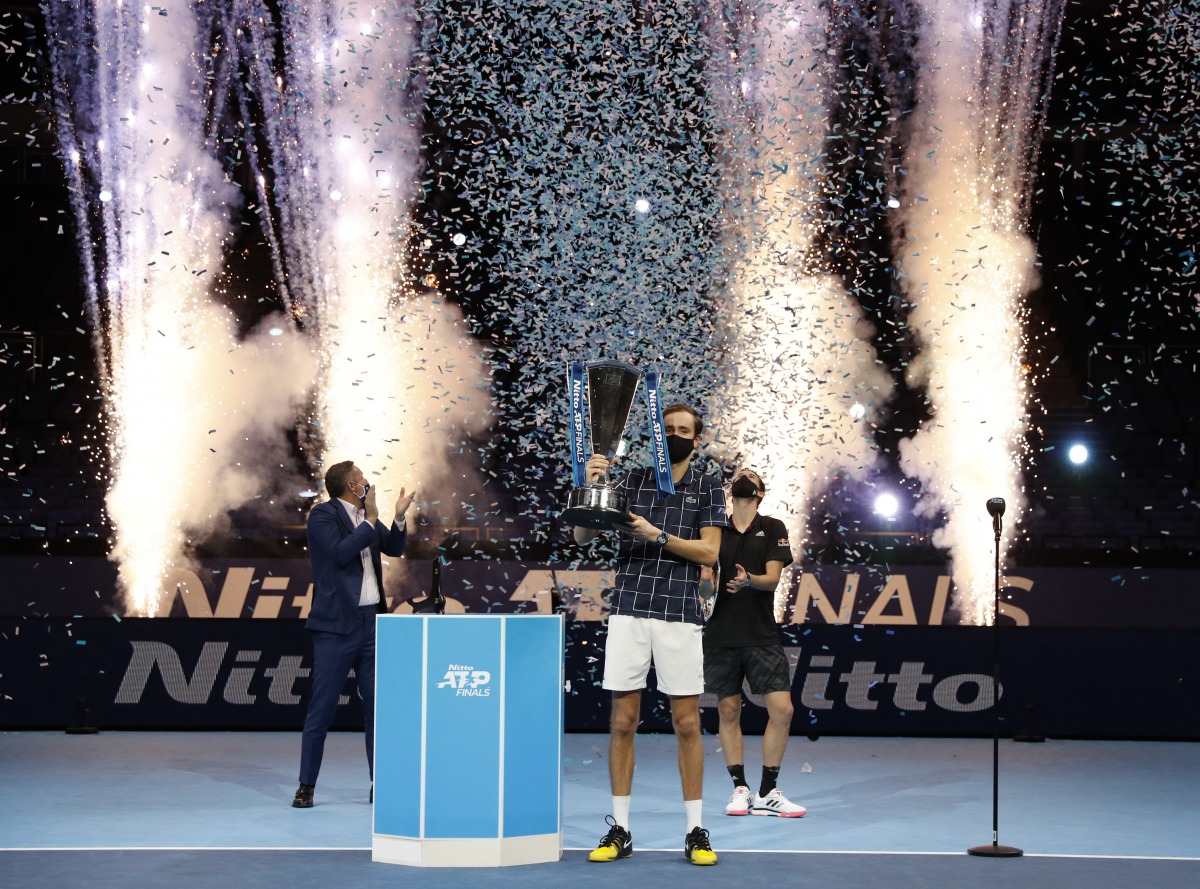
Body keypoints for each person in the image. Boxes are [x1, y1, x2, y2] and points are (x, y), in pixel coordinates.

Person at [572, 403, 726, 866]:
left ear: (696, 440)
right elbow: (582, 535)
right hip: (629, 609)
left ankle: (695, 831)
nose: (675, 435)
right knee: (622, 722)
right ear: (657, 434)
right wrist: (592, 484)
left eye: (685, 431)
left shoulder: (706, 486)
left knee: (686, 724)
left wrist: (654, 534)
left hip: (679, 613)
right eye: (669, 429)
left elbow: (709, 551)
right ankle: (620, 829)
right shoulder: (630, 481)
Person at [293, 461, 414, 808]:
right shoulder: (323, 515)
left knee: (378, 709)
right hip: (335, 627)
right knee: (322, 708)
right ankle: (306, 785)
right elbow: (340, 553)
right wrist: (372, 520)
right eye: (362, 477)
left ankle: (381, 782)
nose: (368, 481)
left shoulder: (367, 517)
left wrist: (399, 518)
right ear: (350, 485)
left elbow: (393, 547)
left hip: (373, 625)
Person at [703, 468, 807, 818]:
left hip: (761, 634)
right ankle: (740, 789)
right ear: (731, 491)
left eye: (751, 476)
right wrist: (705, 580)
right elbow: (707, 586)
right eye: (739, 475)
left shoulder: (773, 527)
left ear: (760, 492)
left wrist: (748, 581)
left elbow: (773, 580)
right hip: (720, 635)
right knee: (729, 711)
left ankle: (767, 792)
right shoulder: (715, 528)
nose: (744, 477)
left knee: (783, 710)